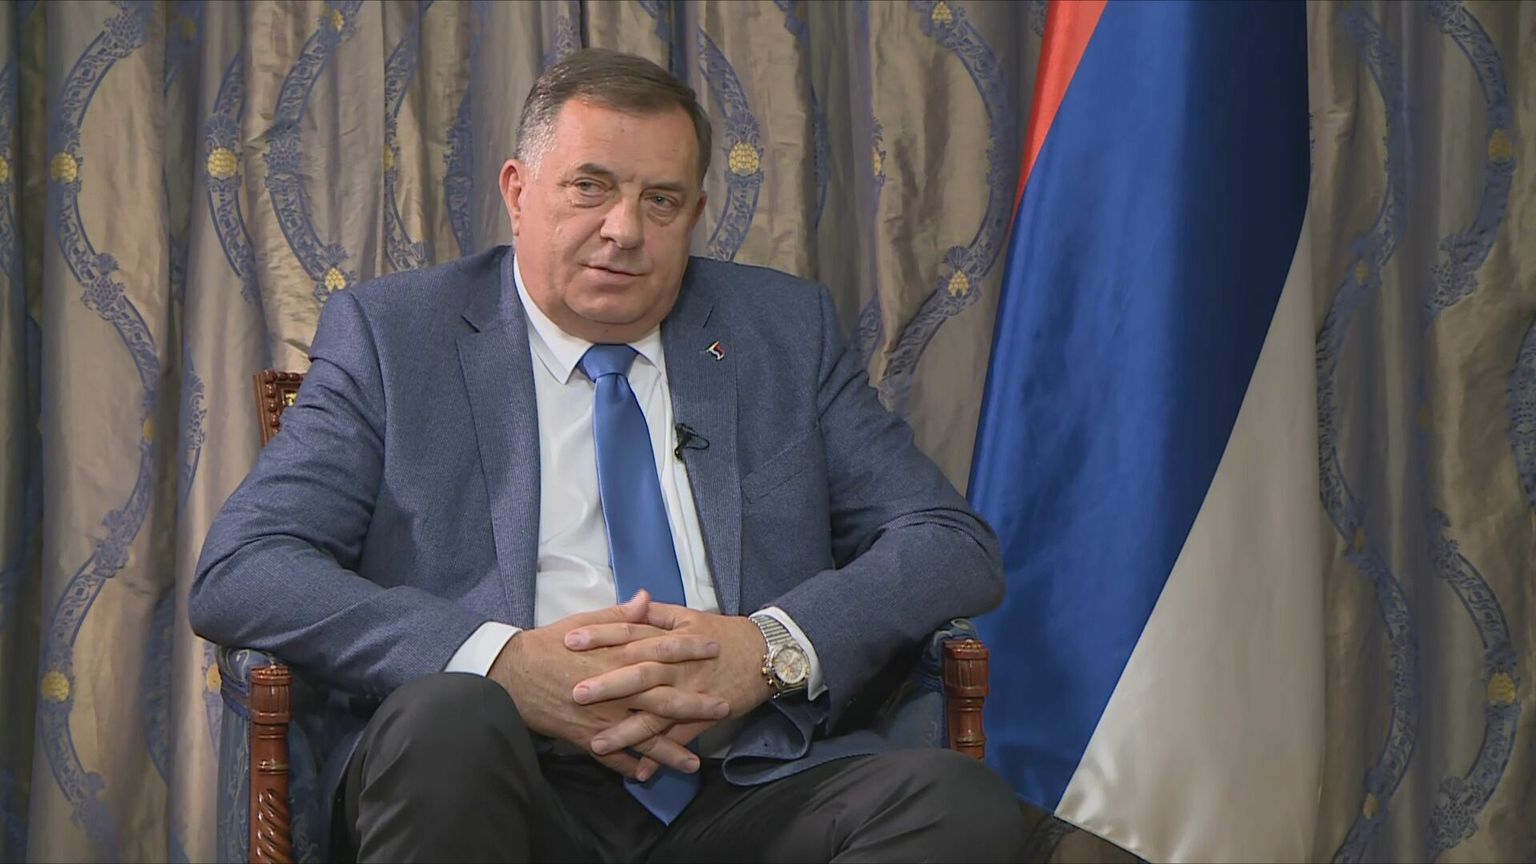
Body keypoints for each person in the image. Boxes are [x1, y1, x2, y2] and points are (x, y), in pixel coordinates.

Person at [190, 48, 1024, 863]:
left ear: (695, 215)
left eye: (660, 200)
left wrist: (767, 650)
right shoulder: (393, 337)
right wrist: (503, 663)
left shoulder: (782, 331)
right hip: (503, 774)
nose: (623, 230)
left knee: (956, 806)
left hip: (747, 781)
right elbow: (245, 568)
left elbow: (950, 543)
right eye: (589, 187)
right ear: (518, 192)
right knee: (449, 720)